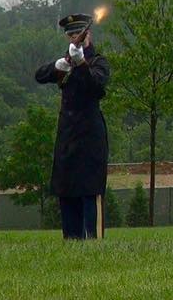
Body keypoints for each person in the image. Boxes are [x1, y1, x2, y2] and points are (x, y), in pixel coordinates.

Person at [34, 13, 110, 240]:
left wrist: (81, 64)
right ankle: (71, 240)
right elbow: (40, 75)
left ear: (88, 35)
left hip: (90, 135)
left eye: (78, 33)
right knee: (66, 191)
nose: (75, 37)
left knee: (90, 190)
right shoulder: (65, 60)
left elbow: (97, 88)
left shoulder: (98, 62)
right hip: (67, 135)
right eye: (71, 34)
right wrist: (58, 67)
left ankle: (93, 241)